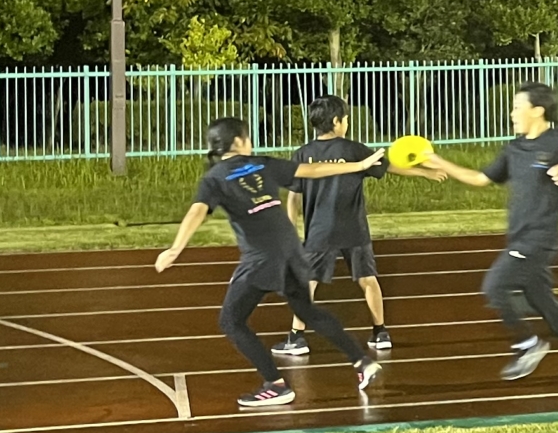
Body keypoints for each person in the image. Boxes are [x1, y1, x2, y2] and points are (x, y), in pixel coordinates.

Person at [155, 116, 387, 409]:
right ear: (238, 141)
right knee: (307, 310)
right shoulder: (262, 163)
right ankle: (362, 361)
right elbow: (314, 170)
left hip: (262, 258)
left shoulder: (214, 178)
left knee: (231, 321)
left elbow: (197, 212)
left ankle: (275, 384)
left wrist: (175, 249)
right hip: (292, 250)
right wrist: (359, 165)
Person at [422, 82, 558, 382]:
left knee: (494, 286)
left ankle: (527, 343)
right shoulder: (514, 148)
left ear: (537, 110)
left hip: (539, 238)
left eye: (516, 107)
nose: (511, 113)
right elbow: (481, 178)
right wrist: (437, 161)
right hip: (519, 236)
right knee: (540, 298)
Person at [283, 93, 439, 357]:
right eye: (345, 119)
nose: (347, 123)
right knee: (368, 279)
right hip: (353, 227)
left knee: (308, 282)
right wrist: (424, 171)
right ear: (336, 122)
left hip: (320, 230)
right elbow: (388, 167)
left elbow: (293, 198)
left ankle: (296, 338)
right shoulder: (353, 150)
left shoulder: (303, 154)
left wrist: (290, 230)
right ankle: (380, 332)